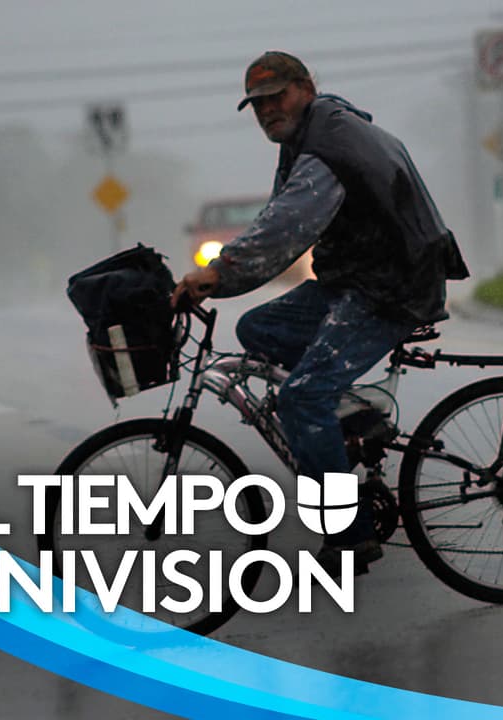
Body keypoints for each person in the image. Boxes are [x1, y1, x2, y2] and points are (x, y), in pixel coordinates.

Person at [171, 51, 468, 576]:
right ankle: (353, 419)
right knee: (257, 328)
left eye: (276, 97)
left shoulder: (329, 145)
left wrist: (216, 273)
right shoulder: (308, 136)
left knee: (302, 397)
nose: (267, 110)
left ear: (305, 88)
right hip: (357, 279)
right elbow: (276, 217)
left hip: (391, 288)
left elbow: (286, 227)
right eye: (257, 104)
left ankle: (351, 537)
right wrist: (224, 274)